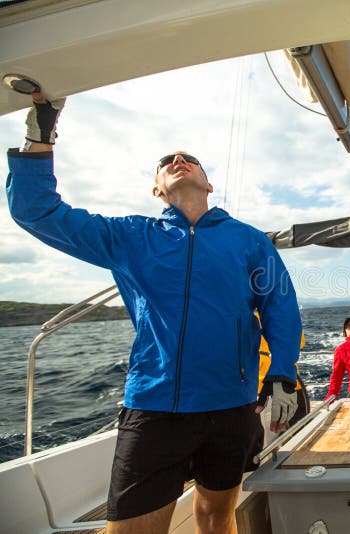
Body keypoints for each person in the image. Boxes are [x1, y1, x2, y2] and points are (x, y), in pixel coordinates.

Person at [6, 94, 303, 534]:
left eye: (190, 159)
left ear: (207, 183)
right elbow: (38, 211)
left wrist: (282, 372)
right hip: (154, 408)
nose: (179, 159)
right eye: (168, 160)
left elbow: (279, 307)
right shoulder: (129, 237)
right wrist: (39, 137)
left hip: (233, 406)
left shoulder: (248, 241)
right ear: (156, 189)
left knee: (217, 517)